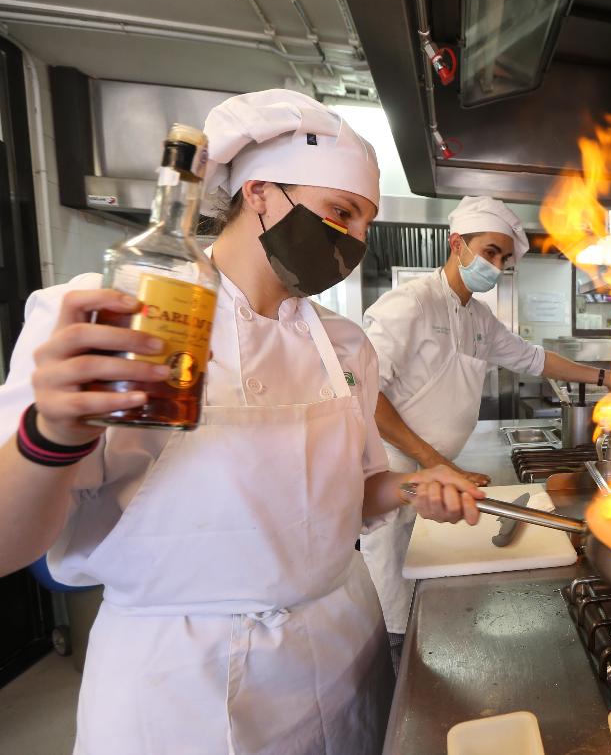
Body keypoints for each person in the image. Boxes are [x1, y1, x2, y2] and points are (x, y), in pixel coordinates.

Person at [0, 90, 483, 755]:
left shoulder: (342, 344)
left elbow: (360, 490)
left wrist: (411, 487)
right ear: (259, 192)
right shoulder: (112, 313)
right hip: (182, 687)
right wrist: (48, 433)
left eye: (364, 222)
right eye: (339, 212)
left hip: (344, 649)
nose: (353, 240)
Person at [359, 195, 611, 640]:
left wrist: (605, 376)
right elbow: (365, 394)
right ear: (457, 243)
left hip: (439, 477)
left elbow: (535, 360)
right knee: (397, 613)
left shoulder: (479, 318)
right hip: (392, 478)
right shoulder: (411, 304)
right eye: (490, 251)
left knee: (436, 603)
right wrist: (436, 462)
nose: (496, 265)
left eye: (504, 258)